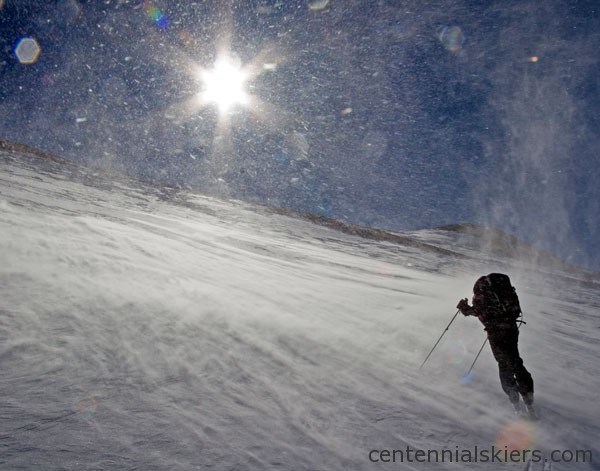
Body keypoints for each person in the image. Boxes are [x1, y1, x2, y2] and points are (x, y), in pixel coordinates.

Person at [457, 274, 535, 418]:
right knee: (515, 361)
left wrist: (463, 308)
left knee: (504, 365)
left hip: (496, 333)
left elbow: (476, 311)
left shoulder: (482, 293)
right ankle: (529, 401)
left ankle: (516, 404)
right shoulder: (505, 290)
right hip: (511, 329)